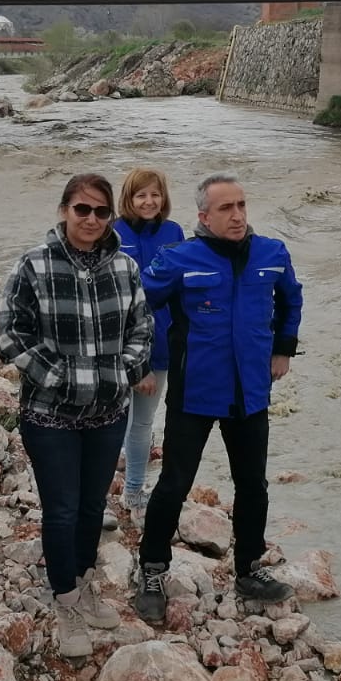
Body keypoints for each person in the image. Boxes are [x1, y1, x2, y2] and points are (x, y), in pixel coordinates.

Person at [133, 171, 303, 624]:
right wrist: (138, 361)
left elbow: (291, 298)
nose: (238, 215)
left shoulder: (272, 253)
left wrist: (284, 347)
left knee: (253, 486)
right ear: (204, 216)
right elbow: (136, 306)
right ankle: (151, 569)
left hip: (250, 392)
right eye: (226, 208)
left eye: (242, 205)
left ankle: (248, 568)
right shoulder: (178, 259)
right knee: (174, 483)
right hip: (195, 391)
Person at [0, 174, 152, 658]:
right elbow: (11, 337)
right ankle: (64, 600)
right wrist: (66, 379)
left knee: (90, 509)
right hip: (49, 417)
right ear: (64, 209)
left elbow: (142, 331)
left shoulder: (126, 268)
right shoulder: (34, 265)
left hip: (108, 415)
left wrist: (119, 374)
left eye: (101, 212)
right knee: (61, 511)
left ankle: (85, 582)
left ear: (111, 218)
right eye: (82, 209)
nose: (91, 220)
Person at [111, 167, 185, 522]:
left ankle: (133, 490)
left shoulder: (174, 232)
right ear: (129, 198)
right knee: (108, 419)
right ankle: (110, 493)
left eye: (155, 194)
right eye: (141, 195)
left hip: (161, 341)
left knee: (141, 422)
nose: (149, 201)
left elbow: (184, 287)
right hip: (116, 344)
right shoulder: (113, 231)